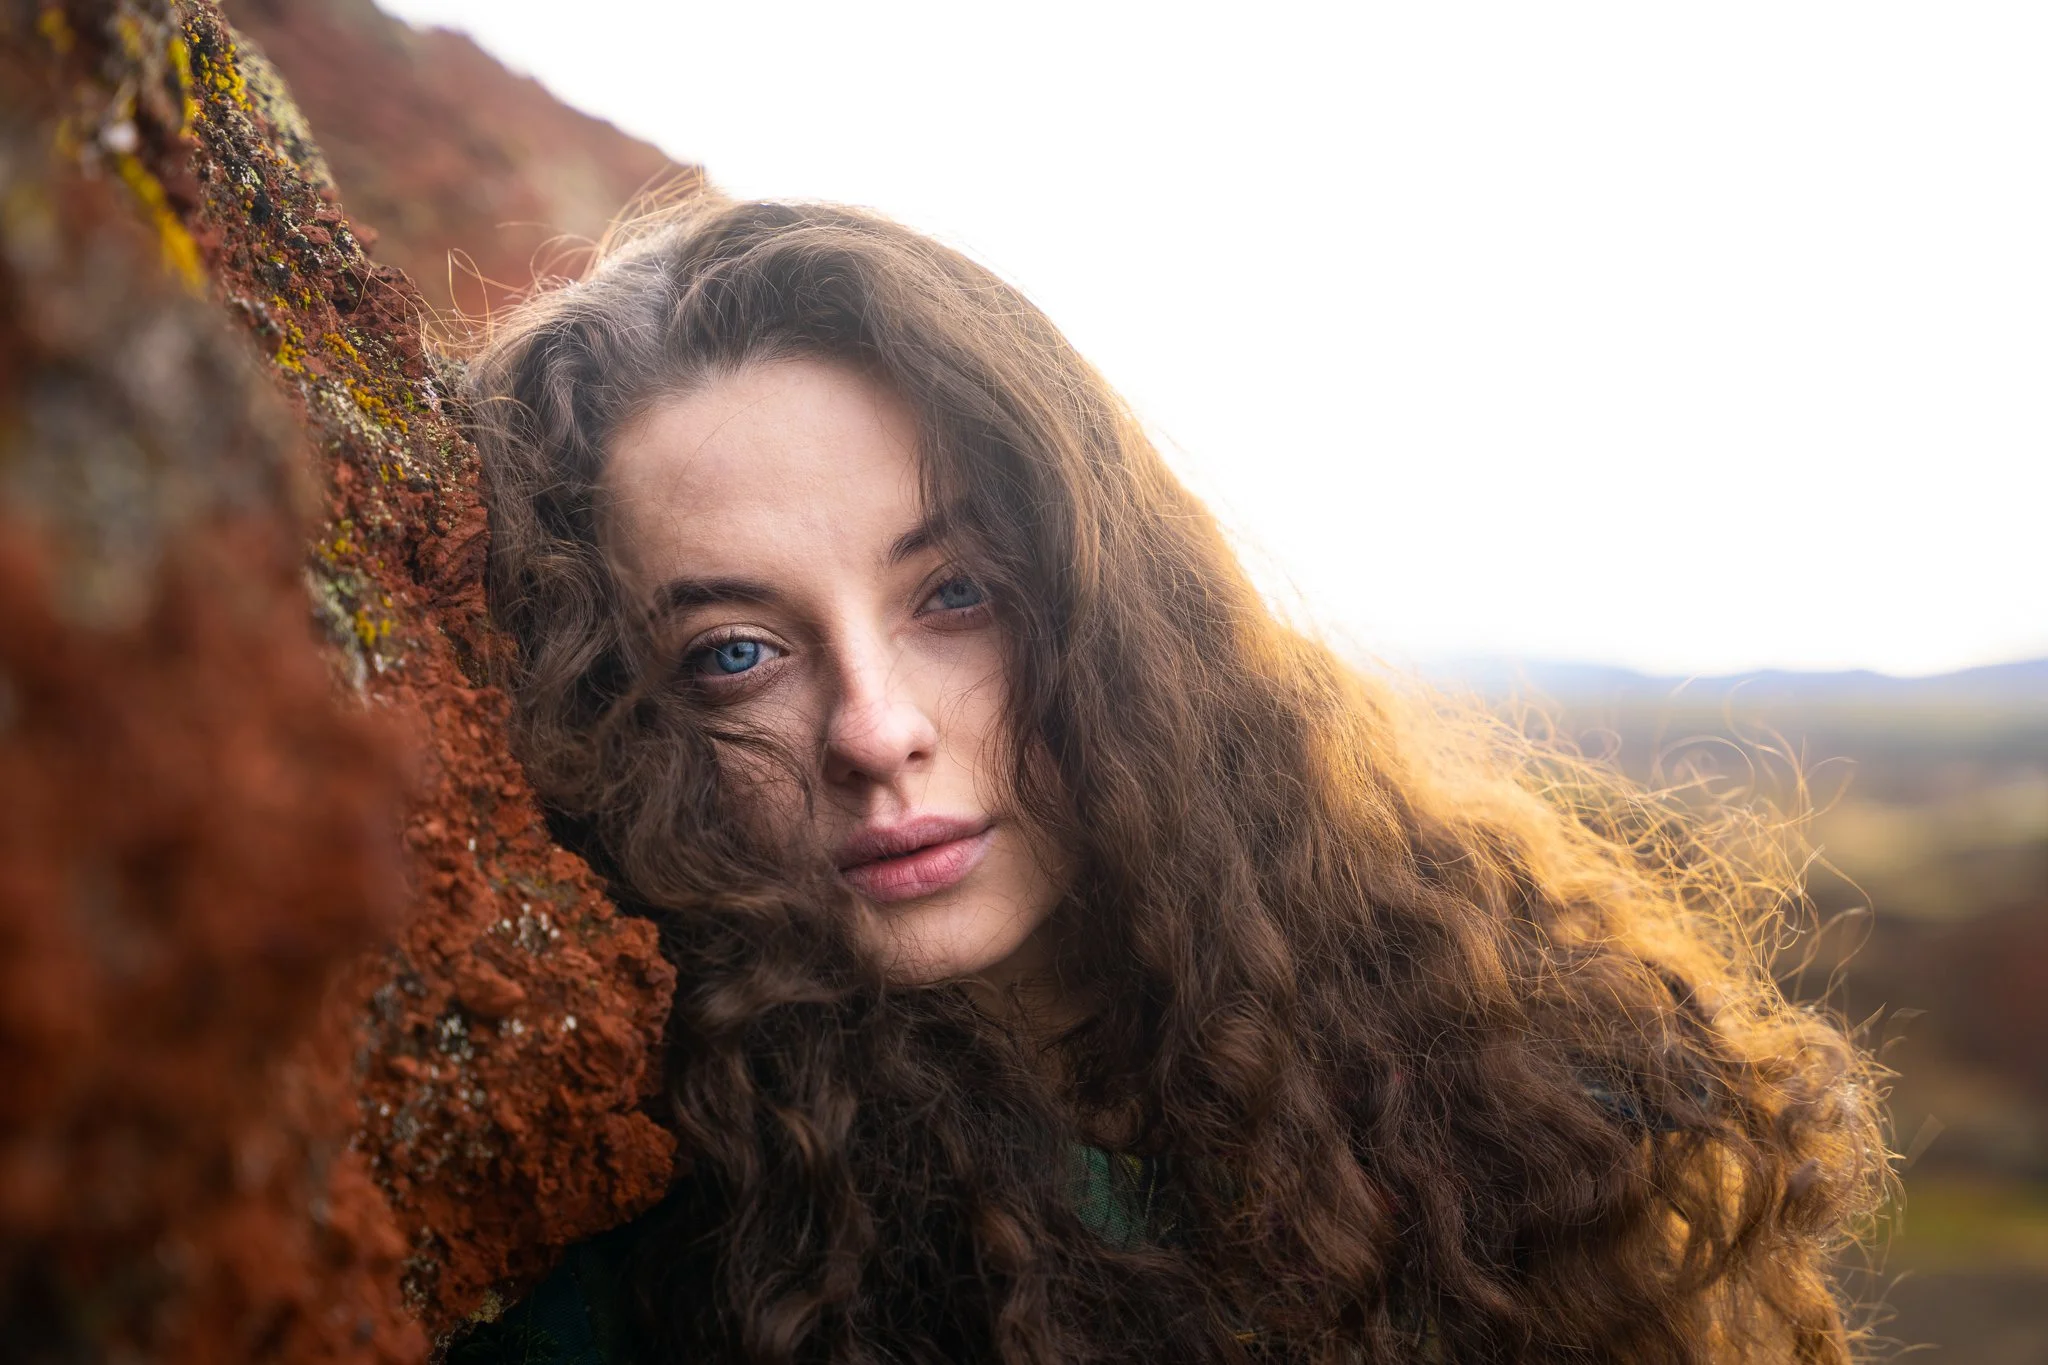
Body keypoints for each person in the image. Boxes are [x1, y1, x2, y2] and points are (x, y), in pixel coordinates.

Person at [456, 196, 1887, 1364]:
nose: (876, 730)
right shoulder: (635, 1258)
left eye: (956, 592)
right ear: (613, 718)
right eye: (735, 655)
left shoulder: (1515, 1087)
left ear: (1108, 606)